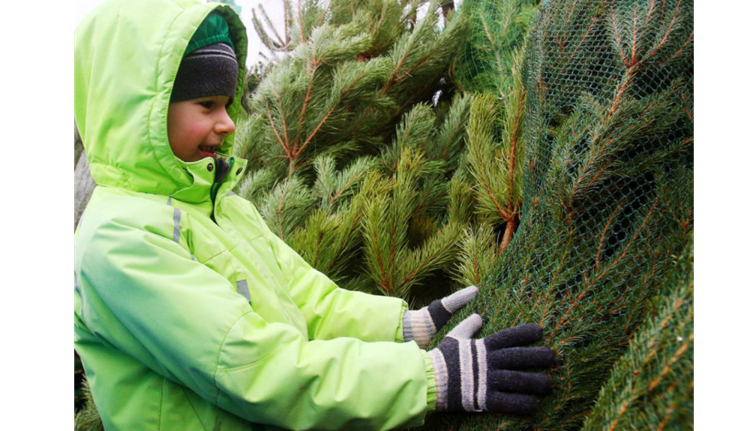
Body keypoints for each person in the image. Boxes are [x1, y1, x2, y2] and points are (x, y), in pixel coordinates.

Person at [73, 1, 555, 430]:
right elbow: (254, 369)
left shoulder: (223, 208)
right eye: (206, 104)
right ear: (142, 111)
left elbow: (308, 300)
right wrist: (427, 377)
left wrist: (404, 327)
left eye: (226, 104)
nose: (226, 122)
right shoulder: (120, 241)